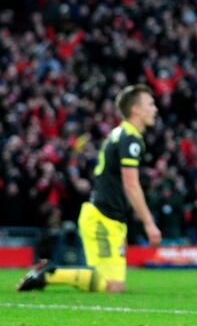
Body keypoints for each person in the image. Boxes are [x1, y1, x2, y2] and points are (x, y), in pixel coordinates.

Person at [17, 85, 161, 293]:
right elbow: (130, 184)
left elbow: (111, 180)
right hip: (103, 218)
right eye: (150, 104)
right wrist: (149, 223)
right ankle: (49, 273)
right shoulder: (130, 139)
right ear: (136, 109)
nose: (155, 109)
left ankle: (48, 272)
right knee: (113, 286)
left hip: (108, 217)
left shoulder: (118, 133)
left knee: (112, 284)